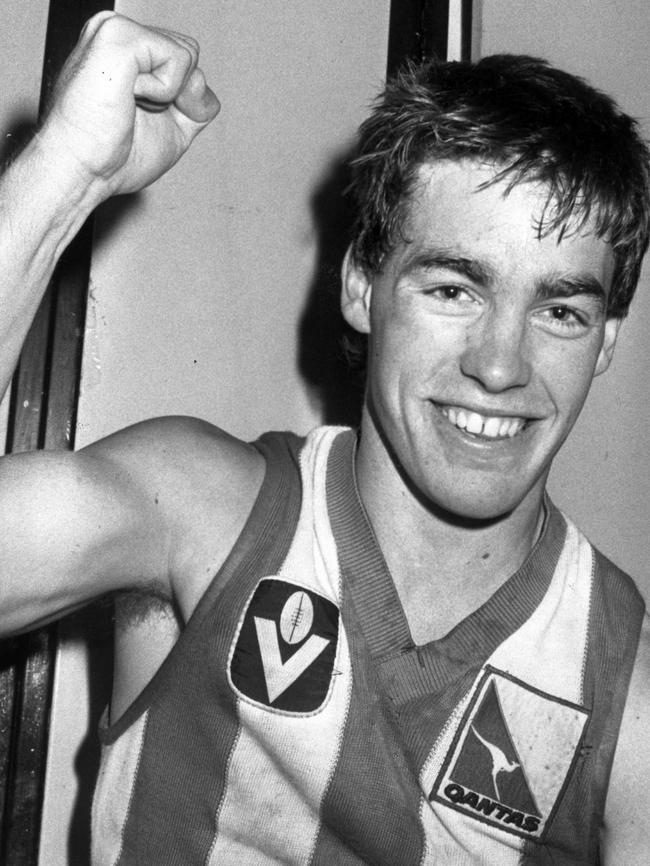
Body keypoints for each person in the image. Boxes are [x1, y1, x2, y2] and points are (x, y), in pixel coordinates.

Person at [1, 11, 649, 865]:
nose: (501, 366)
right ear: (360, 286)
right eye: (454, 288)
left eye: (560, 310)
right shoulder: (205, 513)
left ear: (604, 342)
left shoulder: (624, 690)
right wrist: (65, 176)